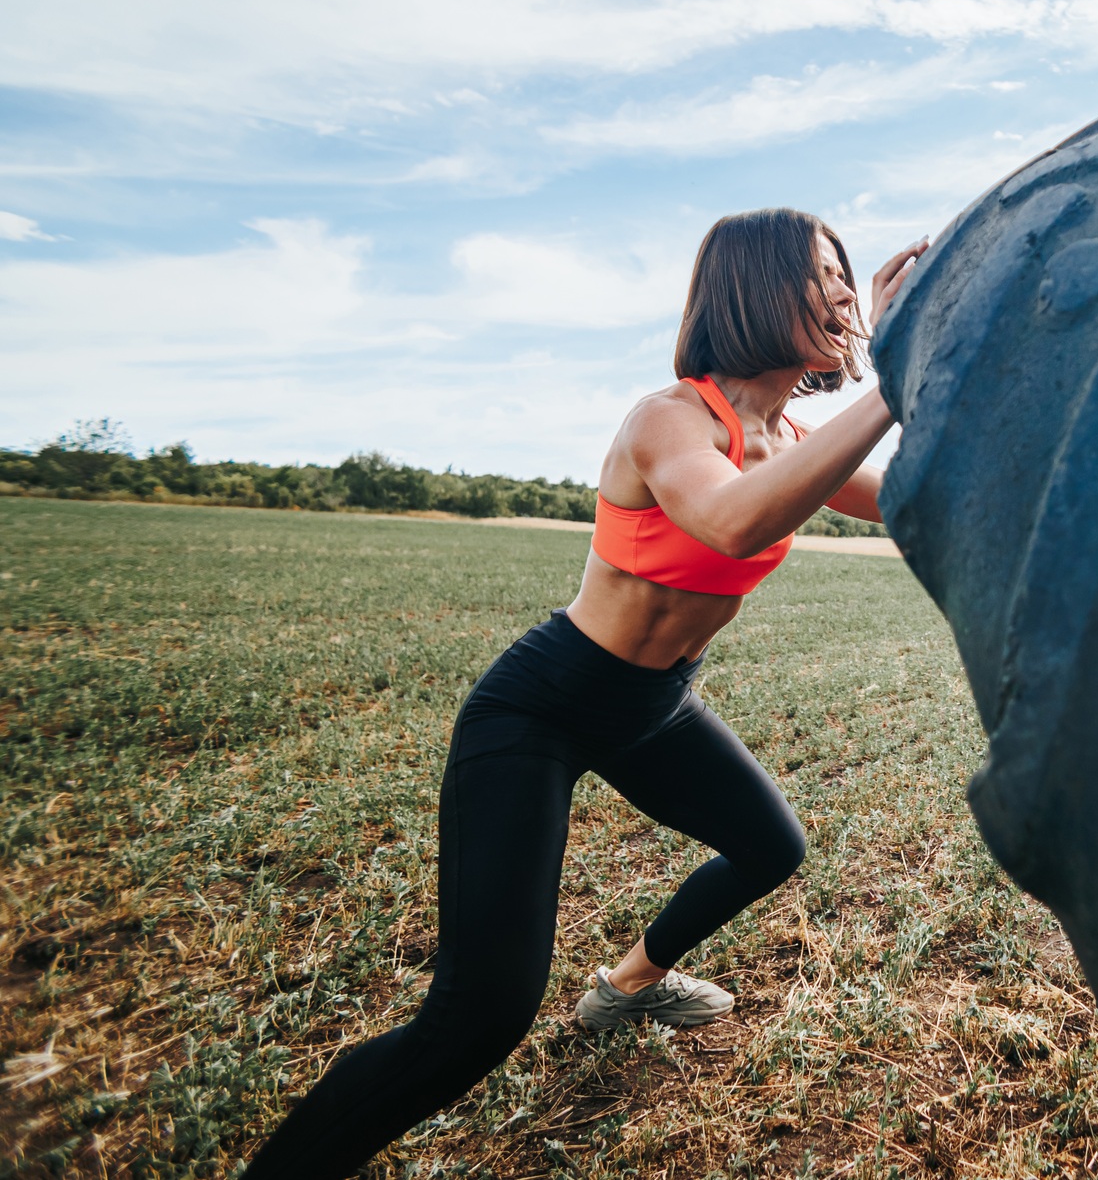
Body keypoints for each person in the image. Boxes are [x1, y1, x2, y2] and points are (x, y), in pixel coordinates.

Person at [243, 209, 926, 1179]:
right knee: (476, 1018)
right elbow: (729, 522)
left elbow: (910, 498)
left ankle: (627, 983)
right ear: (754, 288)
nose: (846, 294)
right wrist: (891, 383)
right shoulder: (670, 420)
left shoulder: (792, 436)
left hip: (655, 706)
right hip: (545, 705)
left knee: (771, 846)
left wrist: (942, 358)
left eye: (847, 276)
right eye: (821, 272)